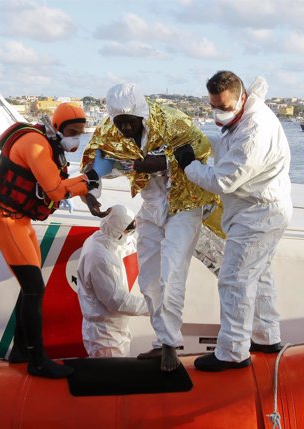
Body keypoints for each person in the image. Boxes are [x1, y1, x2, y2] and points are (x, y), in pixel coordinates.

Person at [80, 83, 217, 372]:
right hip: (152, 205)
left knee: (171, 274)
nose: (126, 128)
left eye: (131, 122)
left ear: (142, 115)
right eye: (121, 123)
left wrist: (158, 163)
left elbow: (202, 150)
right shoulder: (109, 130)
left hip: (184, 203)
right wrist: (90, 195)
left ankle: (169, 345)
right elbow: (92, 167)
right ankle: (160, 342)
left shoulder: (172, 120)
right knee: (149, 279)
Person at [174, 71, 292, 372]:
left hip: (257, 213)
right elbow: (228, 145)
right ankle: (266, 336)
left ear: (241, 98)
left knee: (234, 280)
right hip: (262, 209)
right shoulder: (243, 117)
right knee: (259, 275)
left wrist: (190, 165)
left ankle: (232, 352)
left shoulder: (255, 129)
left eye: (224, 107)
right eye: (214, 106)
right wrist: (202, 143)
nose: (219, 112)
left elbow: (223, 180)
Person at [0, 102, 100, 378]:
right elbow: (56, 191)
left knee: (32, 287)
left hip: (19, 220)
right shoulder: (35, 144)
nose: (76, 138)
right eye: (72, 132)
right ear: (56, 128)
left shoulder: (46, 143)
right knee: (34, 288)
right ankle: (37, 360)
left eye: (80, 133)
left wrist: (86, 183)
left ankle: (22, 351)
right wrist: (89, 180)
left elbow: (58, 186)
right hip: (6, 219)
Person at [77, 204, 148, 357]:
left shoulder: (101, 238)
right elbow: (118, 302)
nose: (131, 233)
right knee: (111, 378)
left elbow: (125, 245)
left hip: (113, 329)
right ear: (119, 231)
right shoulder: (100, 258)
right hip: (105, 336)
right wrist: (154, 305)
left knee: (117, 376)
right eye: (130, 230)